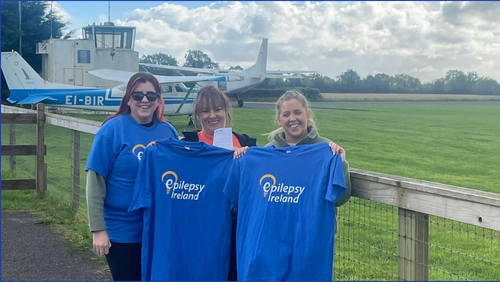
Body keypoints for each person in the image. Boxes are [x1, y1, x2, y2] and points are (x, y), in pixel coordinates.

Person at [147, 85, 256, 280]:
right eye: (205, 111)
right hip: (197, 226)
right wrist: (157, 150)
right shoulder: (186, 144)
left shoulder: (245, 144)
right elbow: (168, 159)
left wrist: (247, 159)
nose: (212, 115)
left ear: (226, 111)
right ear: (197, 115)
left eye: (217, 109)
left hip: (236, 229)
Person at [85, 72, 179, 281]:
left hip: (156, 229)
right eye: (138, 95)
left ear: (158, 100)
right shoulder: (112, 130)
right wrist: (98, 229)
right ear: (128, 99)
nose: (144, 100)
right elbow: (95, 181)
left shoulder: (168, 132)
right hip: (122, 229)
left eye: (151, 96)